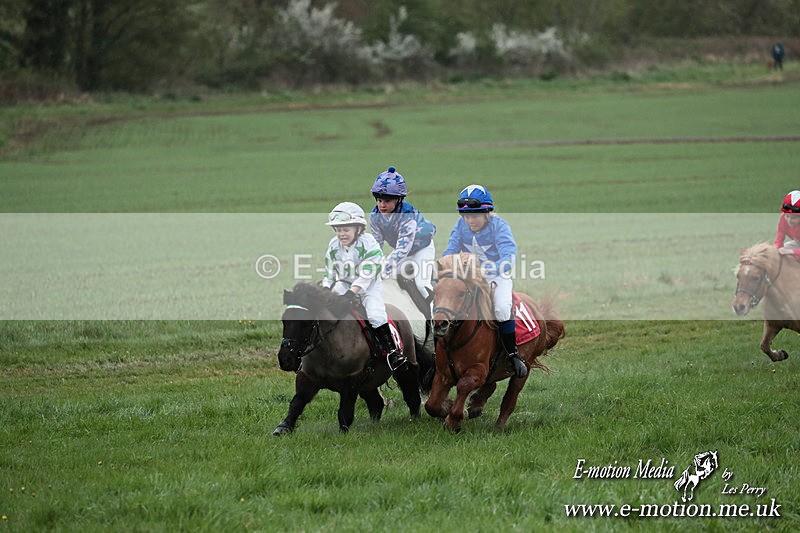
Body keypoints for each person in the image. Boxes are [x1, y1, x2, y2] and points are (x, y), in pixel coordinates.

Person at [442, 184, 528, 378]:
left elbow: (509, 258)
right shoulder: (460, 226)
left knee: (502, 308)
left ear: (487, 212)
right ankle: (437, 353)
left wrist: (483, 270)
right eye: (466, 216)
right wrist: (446, 266)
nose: (470, 221)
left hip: (497, 276)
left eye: (475, 216)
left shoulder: (500, 226)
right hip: (468, 277)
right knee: (444, 303)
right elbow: (450, 250)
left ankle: (512, 354)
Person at [322, 201, 407, 370]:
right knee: (327, 307)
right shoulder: (333, 245)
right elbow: (330, 271)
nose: (341, 234)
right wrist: (325, 289)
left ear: (358, 228)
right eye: (338, 230)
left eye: (346, 229)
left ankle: (392, 353)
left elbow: (366, 275)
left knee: (375, 316)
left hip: (369, 287)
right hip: (344, 284)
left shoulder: (369, 243)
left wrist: (351, 294)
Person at [369, 166, 436, 316]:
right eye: (379, 200)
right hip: (403, 251)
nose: (382, 205)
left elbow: (402, 249)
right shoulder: (374, 216)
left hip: (421, 249)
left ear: (399, 199)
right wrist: (373, 264)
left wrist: (383, 270)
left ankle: (435, 319)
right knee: (391, 279)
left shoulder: (407, 216)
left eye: (387, 201)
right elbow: (376, 244)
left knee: (421, 284)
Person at [775, 190, 800, 259]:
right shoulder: (783, 218)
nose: (789, 220)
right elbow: (780, 234)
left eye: (794, 218)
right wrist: (776, 248)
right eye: (787, 216)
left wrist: (791, 251)